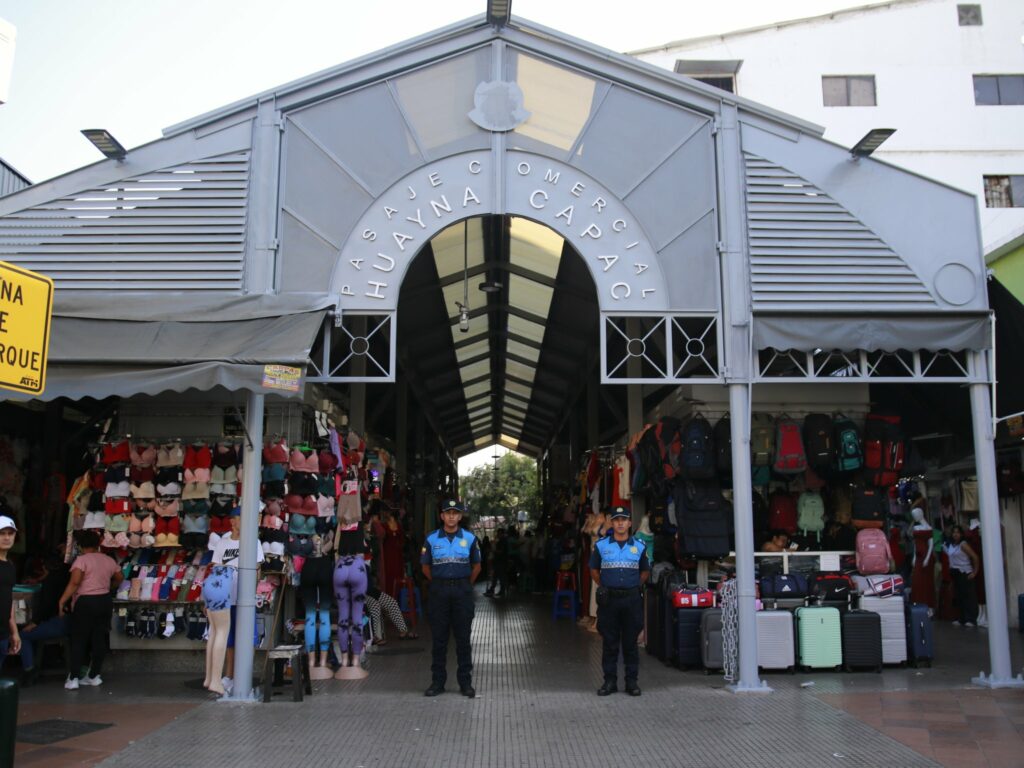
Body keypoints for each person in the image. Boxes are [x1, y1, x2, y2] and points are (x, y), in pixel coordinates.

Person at [421, 499, 481, 697]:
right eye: (448, 513)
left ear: (460, 516)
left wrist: (463, 584)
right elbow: (425, 567)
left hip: (462, 592)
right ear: (442, 516)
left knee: (463, 639)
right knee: (439, 640)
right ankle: (437, 682)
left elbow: (477, 567)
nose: (452, 516)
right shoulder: (431, 539)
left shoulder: (471, 539)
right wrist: (441, 582)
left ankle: (465, 683)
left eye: (455, 513)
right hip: (439, 592)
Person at [590, 505, 649, 696]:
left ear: (630, 523)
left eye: (624, 519)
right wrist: (605, 585)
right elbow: (594, 570)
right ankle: (609, 682)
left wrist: (633, 586)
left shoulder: (639, 546)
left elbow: (645, 571)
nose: (620, 523)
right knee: (610, 642)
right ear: (612, 523)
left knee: (631, 644)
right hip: (610, 601)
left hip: (631, 600)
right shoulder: (601, 545)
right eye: (616, 520)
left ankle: (631, 683)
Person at [58, 529, 123, 690]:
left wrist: (62, 601)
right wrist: (108, 586)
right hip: (104, 600)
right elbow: (120, 578)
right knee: (99, 638)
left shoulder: (81, 561)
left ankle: (73, 678)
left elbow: (74, 583)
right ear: (98, 543)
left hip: (86, 602)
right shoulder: (108, 560)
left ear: (80, 546)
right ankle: (94, 675)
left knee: (79, 640)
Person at [19, 545, 71, 685]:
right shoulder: (65, 576)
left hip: (58, 623)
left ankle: (29, 669)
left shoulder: (51, 582)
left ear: (45, 567)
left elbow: (47, 606)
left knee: (22, 635)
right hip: (67, 621)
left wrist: (34, 622)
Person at [943, 524, 980, 627]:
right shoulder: (951, 545)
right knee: (959, 596)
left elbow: (975, 557)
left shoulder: (963, 544)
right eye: (954, 532)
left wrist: (974, 572)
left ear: (961, 534)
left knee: (968, 596)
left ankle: (971, 619)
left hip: (965, 572)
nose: (955, 534)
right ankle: (962, 618)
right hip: (955, 573)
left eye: (957, 532)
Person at [0, 516, 21, 661]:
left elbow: (9, 599)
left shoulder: (10, 566)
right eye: (1, 533)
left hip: (2, 633)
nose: (6, 537)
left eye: (10, 533)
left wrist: (14, 632)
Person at [485, 527, 507, 598]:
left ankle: (500, 591)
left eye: (499, 533)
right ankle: (493, 590)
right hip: (498, 561)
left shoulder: (503, 541)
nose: (498, 534)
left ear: (502, 534)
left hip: (501, 561)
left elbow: (501, 551)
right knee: (496, 576)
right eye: (498, 533)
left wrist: (493, 550)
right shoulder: (500, 541)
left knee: (500, 576)